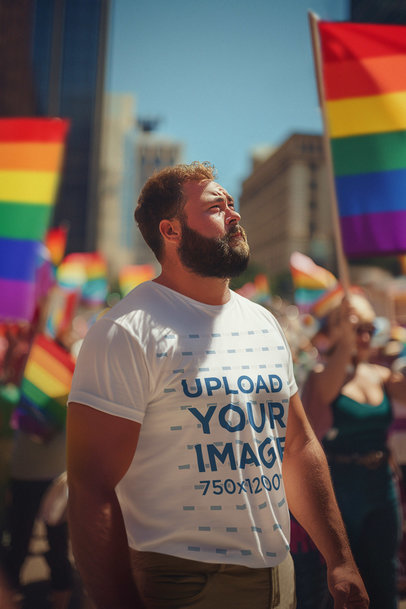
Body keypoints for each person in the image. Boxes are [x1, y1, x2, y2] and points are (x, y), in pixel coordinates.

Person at [66, 162, 368, 609]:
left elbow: (297, 447)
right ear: (170, 231)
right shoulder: (127, 331)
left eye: (232, 203)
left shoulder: (263, 322)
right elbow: (90, 487)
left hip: (278, 576)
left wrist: (340, 559)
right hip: (183, 582)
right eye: (215, 206)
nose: (234, 214)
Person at [301, 293, 406, 609]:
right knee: (346, 587)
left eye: (369, 328)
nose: (363, 336)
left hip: (381, 487)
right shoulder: (320, 377)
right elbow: (327, 392)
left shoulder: (382, 374)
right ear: (332, 333)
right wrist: (345, 340)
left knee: (384, 580)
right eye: (354, 327)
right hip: (339, 489)